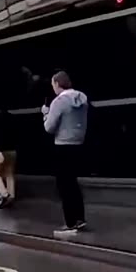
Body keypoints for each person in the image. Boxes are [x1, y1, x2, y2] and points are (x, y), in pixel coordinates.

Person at [42, 71, 89, 236]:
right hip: (78, 145)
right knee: (73, 184)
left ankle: (70, 223)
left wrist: (45, 113)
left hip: (62, 146)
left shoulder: (59, 102)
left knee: (64, 186)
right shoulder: (82, 98)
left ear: (57, 84)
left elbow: (49, 128)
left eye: (53, 85)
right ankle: (80, 218)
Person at [0, 107, 17, 208]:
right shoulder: (11, 122)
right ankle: (11, 195)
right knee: (9, 174)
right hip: (12, 151)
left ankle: (4, 194)